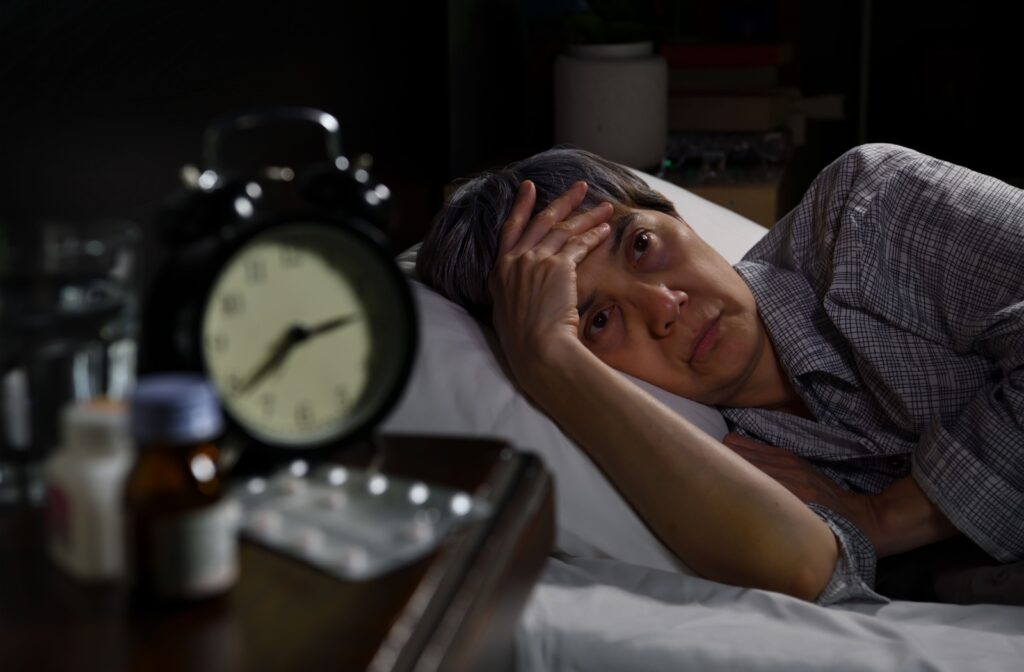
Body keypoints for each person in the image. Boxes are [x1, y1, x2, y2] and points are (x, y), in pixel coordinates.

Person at [416, 144, 1024, 605]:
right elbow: (809, 567)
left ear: (673, 214)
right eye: (599, 319)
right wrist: (551, 359)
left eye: (641, 245)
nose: (662, 305)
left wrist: (886, 515)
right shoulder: (707, 453)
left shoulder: (869, 210)